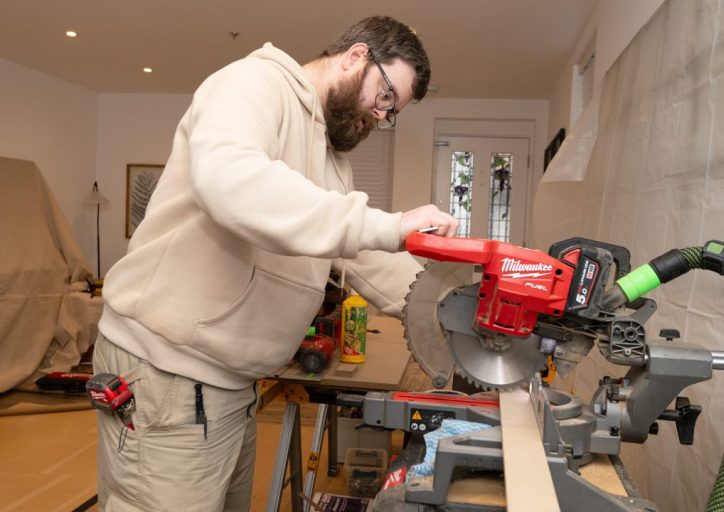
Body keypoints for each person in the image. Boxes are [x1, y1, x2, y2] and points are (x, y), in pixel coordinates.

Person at [93, 15, 458, 511]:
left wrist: (453, 303)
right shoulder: (254, 83)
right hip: (168, 375)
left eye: (392, 111)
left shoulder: (332, 161)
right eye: (386, 95)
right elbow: (230, 181)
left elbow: (363, 254)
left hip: (231, 386)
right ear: (356, 56)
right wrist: (391, 224)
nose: (381, 114)